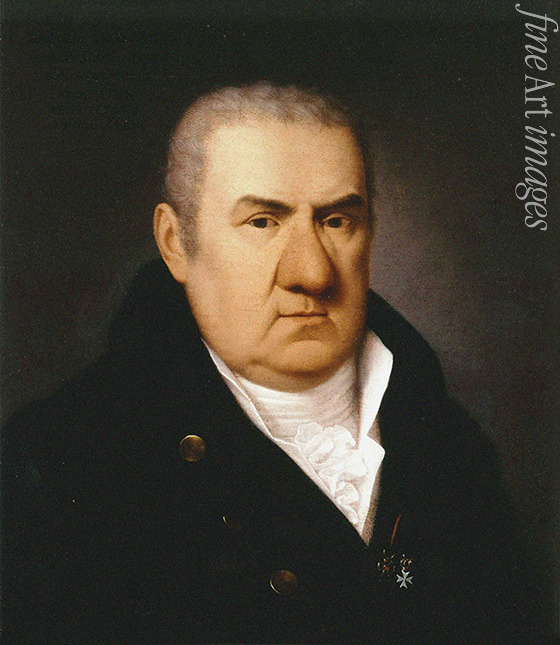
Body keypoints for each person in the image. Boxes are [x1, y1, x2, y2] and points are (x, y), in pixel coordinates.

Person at [2, 82, 543, 644]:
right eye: (263, 222)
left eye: (337, 221)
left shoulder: (453, 448)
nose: (312, 273)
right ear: (175, 242)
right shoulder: (61, 459)